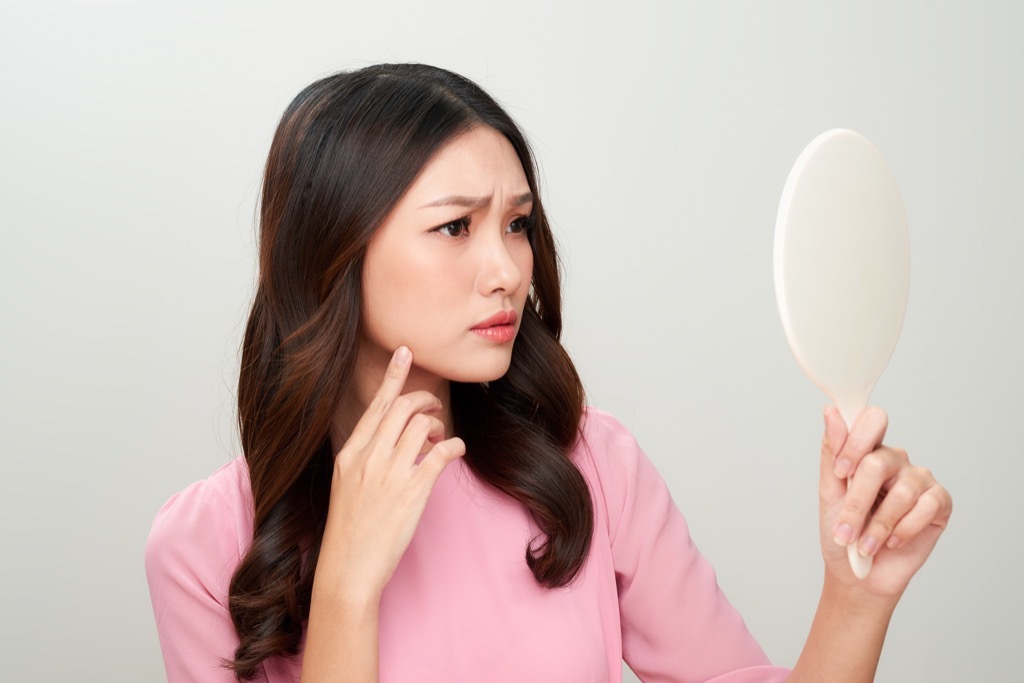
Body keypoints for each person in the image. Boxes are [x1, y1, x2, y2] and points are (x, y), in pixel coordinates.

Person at [145, 63, 952, 682]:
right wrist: (348, 590)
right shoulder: (202, 545)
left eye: (518, 223)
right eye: (455, 226)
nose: (507, 269)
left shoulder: (594, 467)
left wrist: (858, 595)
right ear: (334, 251)